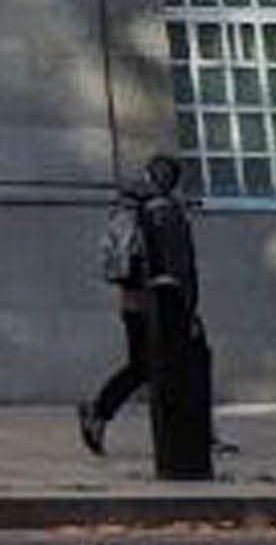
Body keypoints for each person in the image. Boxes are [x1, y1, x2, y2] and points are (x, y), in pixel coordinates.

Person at [80, 153, 204, 456]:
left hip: (136, 299)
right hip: (160, 300)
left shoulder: (129, 204)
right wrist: (186, 305)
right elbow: (175, 262)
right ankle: (99, 409)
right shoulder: (160, 209)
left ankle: (200, 431)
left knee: (156, 364)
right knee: (166, 363)